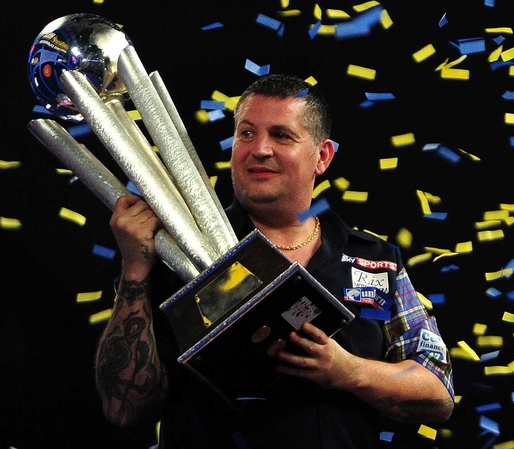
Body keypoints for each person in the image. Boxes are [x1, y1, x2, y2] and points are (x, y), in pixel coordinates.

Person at [94, 73, 454, 448]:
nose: (260, 149)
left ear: (323, 156)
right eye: (247, 134)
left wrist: (348, 371)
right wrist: (134, 269)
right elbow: (123, 408)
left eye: (281, 135)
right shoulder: (174, 249)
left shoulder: (374, 259)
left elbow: (437, 391)